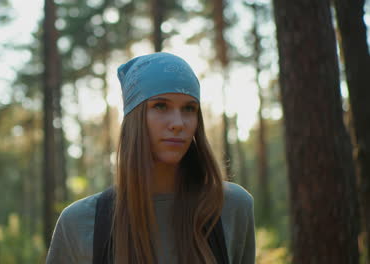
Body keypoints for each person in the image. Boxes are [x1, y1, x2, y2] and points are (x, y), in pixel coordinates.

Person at [45, 52, 255, 264]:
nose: (178, 123)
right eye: (161, 106)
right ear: (134, 118)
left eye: (189, 108)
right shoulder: (79, 222)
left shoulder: (231, 207)